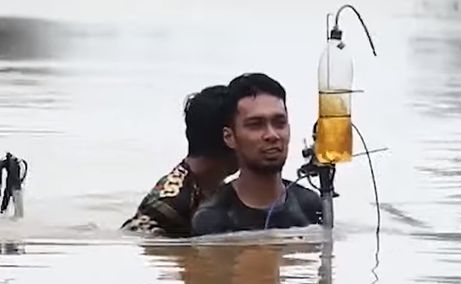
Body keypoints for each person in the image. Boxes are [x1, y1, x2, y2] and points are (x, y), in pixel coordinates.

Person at [191, 73, 322, 236]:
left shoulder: (310, 205)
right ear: (229, 137)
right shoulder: (213, 218)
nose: (272, 135)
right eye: (256, 125)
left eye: (279, 123)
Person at [121, 85, 238, 237]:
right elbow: (138, 241)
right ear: (227, 138)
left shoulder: (207, 185)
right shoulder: (169, 207)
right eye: (251, 126)